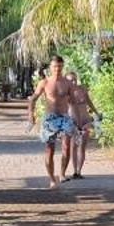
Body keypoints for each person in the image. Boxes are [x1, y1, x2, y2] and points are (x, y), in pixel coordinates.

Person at [29, 55, 78, 187]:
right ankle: (51, 179)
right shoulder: (44, 82)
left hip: (64, 117)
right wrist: (30, 115)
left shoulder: (67, 83)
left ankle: (62, 174)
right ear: (50, 68)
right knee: (49, 149)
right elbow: (33, 99)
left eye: (60, 66)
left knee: (67, 147)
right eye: (55, 66)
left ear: (63, 67)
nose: (57, 69)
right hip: (50, 118)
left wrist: (78, 119)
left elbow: (73, 102)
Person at [69, 80, 102, 179]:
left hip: (85, 120)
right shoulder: (66, 92)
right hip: (73, 120)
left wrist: (96, 113)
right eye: (70, 80)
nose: (73, 82)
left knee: (82, 145)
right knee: (74, 146)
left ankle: (79, 171)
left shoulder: (82, 89)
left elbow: (89, 101)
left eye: (74, 79)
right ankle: (74, 170)